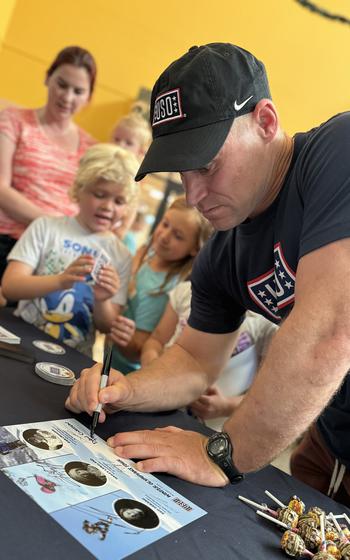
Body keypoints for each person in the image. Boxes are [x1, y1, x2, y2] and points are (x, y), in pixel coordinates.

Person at [66, 43, 350, 503]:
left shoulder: (338, 152)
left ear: (266, 121)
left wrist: (223, 453)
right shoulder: (222, 249)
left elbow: (331, 334)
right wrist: (126, 389)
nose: (194, 196)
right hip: (328, 441)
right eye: (183, 173)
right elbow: (197, 360)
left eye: (207, 165)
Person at [2, 144, 138, 355]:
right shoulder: (45, 227)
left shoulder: (121, 255)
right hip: (20, 341)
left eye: (119, 201)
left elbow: (106, 326)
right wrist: (60, 281)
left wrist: (102, 300)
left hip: (74, 358)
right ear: (79, 190)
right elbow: (10, 286)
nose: (108, 207)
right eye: (100, 194)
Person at [0, 45, 97, 288]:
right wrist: (51, 225)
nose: (67, 97)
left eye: (78, 91)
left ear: (88, 97)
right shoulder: (13, 120)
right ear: (47, 78)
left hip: (55, 256)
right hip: (8, 241)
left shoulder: (91, 148)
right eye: (62, 84)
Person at [141, 280, 277, 421]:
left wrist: (226, 407)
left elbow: (268, 396)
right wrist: (151, 365)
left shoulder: (267, 321)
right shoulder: (186, 292)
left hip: (215, 425)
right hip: (159, 404)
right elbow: (156, 340)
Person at [107, 196, 212, 373]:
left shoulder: (165, 289)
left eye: (178, 236)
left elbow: (138, 349)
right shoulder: (147, 251)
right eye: (165, 224)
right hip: (108, 357)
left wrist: (114, 329)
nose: (164, 236)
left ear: (195, 248)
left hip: (126, 372)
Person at [111, 102, 152, 255]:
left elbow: (133, 206)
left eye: (128, 143)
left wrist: (121, 230)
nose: (121, 145)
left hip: (115, 228)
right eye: (116, 139)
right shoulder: (102, 163)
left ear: (140, 151)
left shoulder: (134, 175)